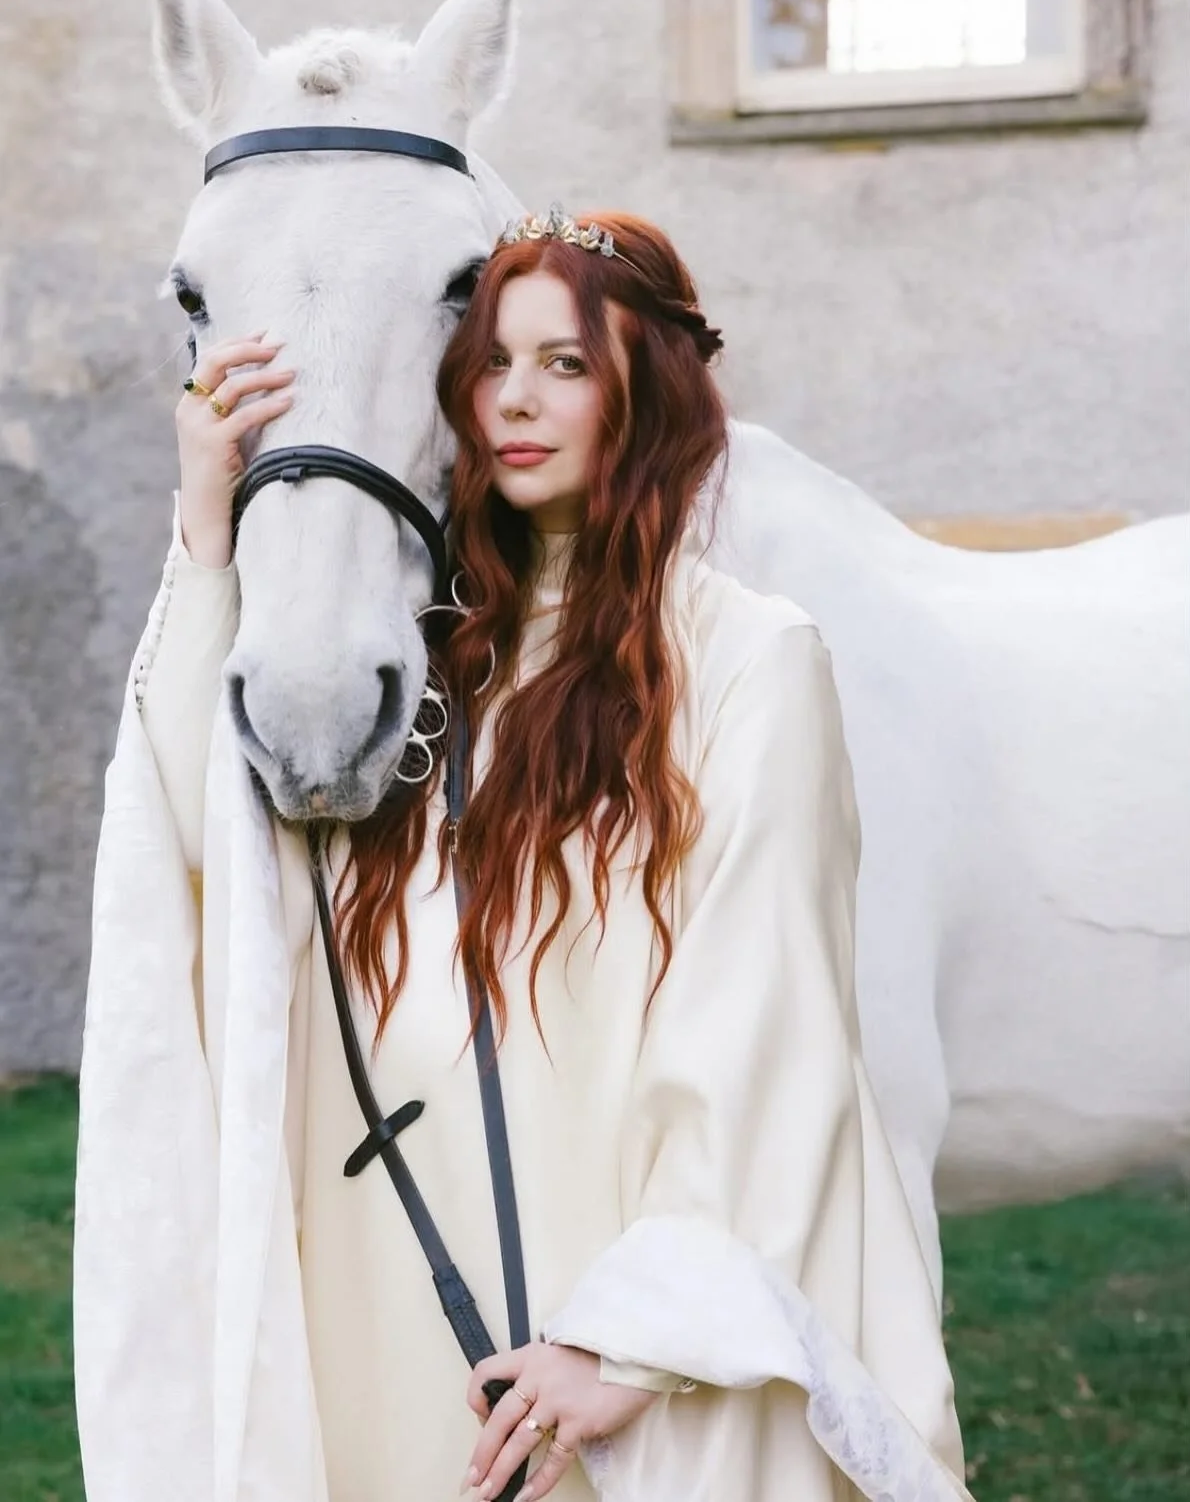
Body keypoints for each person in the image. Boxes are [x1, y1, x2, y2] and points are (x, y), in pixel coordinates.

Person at [76, 209, 971, 1502]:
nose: (514, 399)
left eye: (564, 363)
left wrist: (628, 1340)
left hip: (592, 1308)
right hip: (365, 1278)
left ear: (646, 390)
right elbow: (206, 840)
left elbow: (758, 1030)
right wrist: (208, 527)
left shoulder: (746, 661)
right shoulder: (414, 662)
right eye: (491, 362)